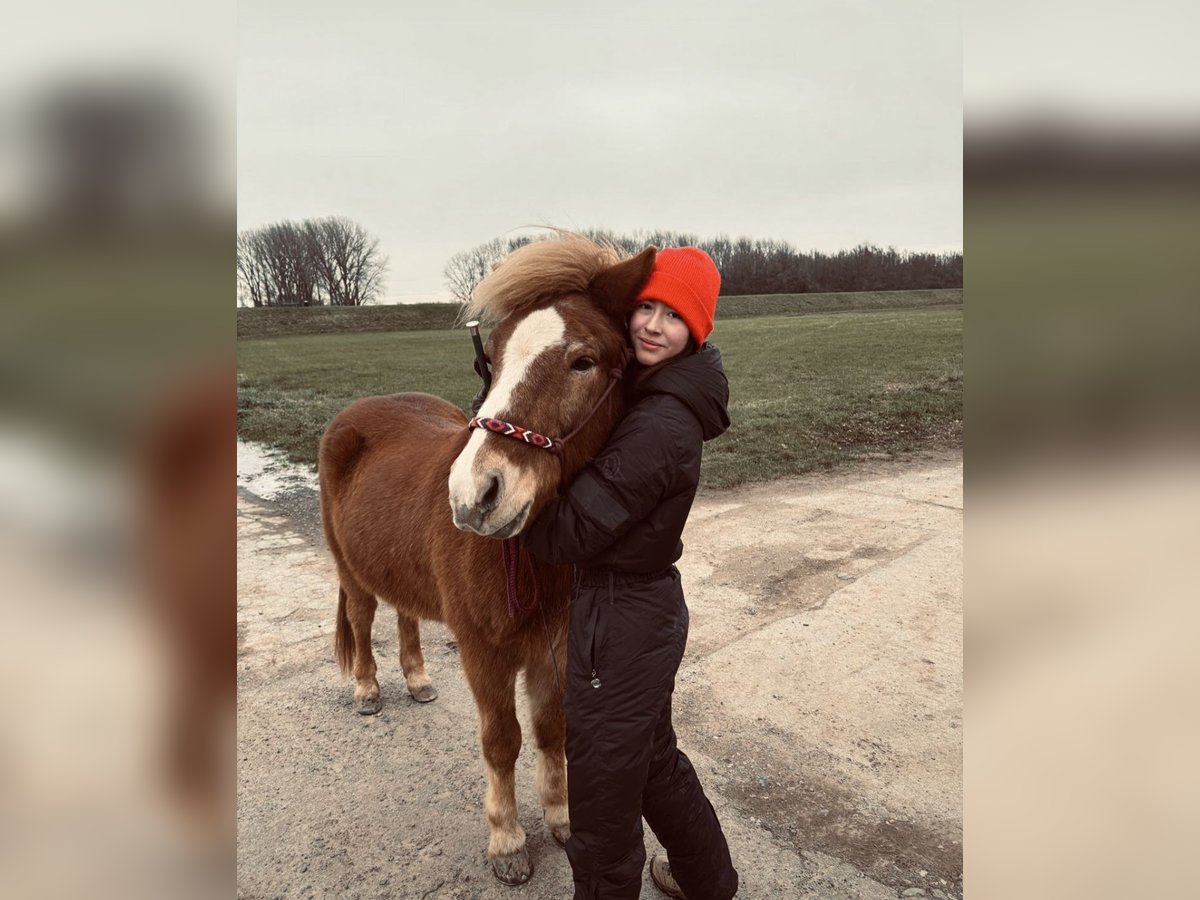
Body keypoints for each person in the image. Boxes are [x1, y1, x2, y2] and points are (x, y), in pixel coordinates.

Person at [522, 247, 739, 900]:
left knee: (602, 790)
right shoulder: (659, 396)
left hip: (621, 618)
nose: (651, 324)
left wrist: (513, 510)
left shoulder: (660, 424)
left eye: (673, 316)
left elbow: (575, 531)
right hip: (640, 608)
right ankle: (708, 880)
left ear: (696, 330)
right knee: (649, 763)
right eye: (646, 306)